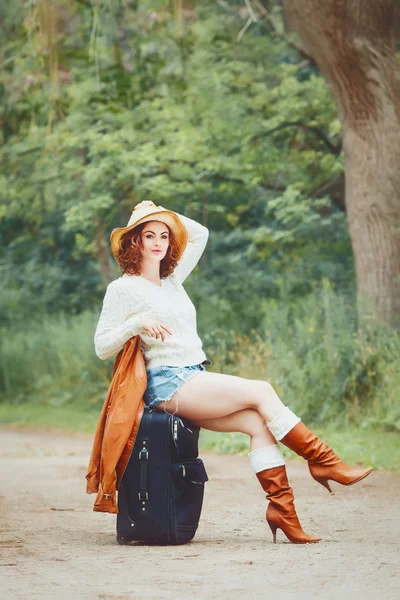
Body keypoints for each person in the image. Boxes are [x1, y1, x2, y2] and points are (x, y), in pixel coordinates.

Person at [94, 200, 373, 544]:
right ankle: (324, 461)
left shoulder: (173, 280)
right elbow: (102, 345)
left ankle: (283, 512)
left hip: (192, 375)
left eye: (163, 235)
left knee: (258, 425)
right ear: (133, 242)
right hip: (167, 382)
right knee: (261, 390)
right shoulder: (123, 289)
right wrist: (137, 323)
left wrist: (161, 210)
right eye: (148, 234)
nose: (157, 242)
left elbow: (200, 234)